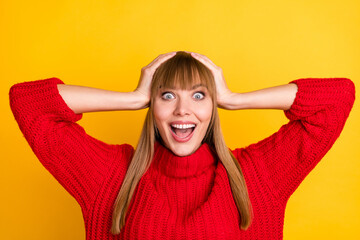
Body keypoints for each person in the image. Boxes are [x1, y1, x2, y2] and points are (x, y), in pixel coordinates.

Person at [9, 51, 355, 239]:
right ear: (153, 106)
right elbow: (28, 102)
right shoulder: (114, 176)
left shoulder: (255, 176)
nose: (182, 110)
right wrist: (134, 98)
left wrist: (233, 99)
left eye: (199, 95)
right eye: (168, 95)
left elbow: (337, 99)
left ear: (212, 105)